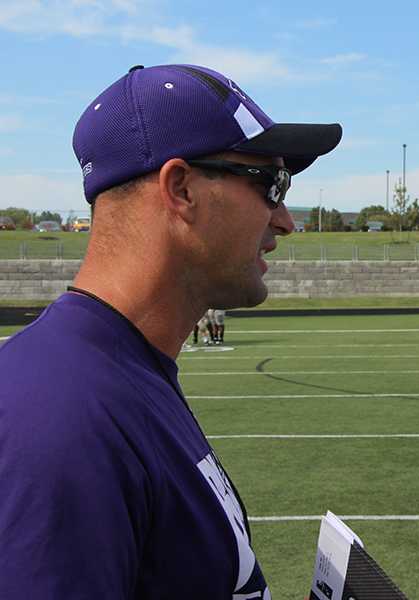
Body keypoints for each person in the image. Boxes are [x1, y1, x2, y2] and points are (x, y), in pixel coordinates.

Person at [0, 64, 341, 597]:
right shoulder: (61, 417)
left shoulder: (124, 369)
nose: (286, 221)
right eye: (271, 185)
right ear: (180, 188)